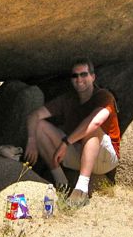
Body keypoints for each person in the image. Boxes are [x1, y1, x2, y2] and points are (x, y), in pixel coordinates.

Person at [24, 58, 121, 207]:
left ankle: (81, 190)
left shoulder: (104, 96)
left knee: (91, 128)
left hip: (105, 158)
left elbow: (95, 122)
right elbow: (34, 115)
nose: (79, 79)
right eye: (75, 76)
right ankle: (62, 183)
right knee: (39, 126)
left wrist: (66, 142)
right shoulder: (68, 99)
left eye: (84, 74)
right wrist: (31, 141)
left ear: (93, 77)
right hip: (79, 154)